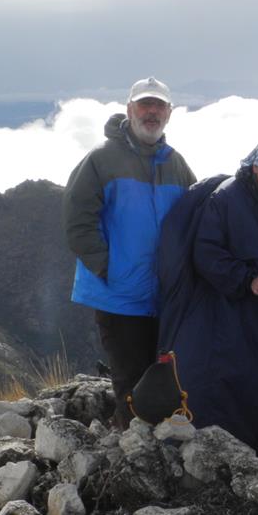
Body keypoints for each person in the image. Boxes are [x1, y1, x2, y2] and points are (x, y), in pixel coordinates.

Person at [163, 135, 258, 457]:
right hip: (234, 317)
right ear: (256, 167)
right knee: (235, 391)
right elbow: (206, 253)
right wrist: (246, 280)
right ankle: (229, 466)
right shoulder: (226, 200)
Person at [63, 76, 196, 429]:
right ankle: (130, 445)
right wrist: (108, 268)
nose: (152, 112)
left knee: (166, 375)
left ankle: (162, 442)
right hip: (119, 296)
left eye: (159, 106)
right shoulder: (101, 160)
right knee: (130, 377)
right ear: (129, 109)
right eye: (144, 104)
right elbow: (78, 221)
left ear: (169, 113)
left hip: (165, 294)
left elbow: (196, 216)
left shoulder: (176, 164)